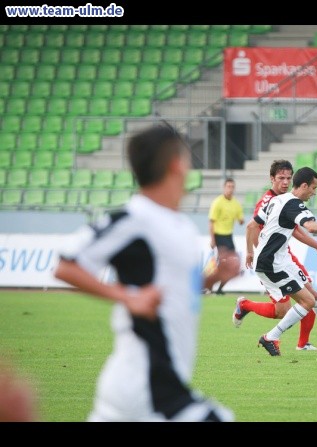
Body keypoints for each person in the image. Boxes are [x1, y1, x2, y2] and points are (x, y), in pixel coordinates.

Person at [54, 124, 240, 422]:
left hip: (156, 382)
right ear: (177, 164)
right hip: (145, 384)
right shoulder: (134, 218)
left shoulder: (179, 225)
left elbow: (175, 288)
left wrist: (213, 278)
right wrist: (128, 296)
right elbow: (66, 264)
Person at [233, 160, 317, 351]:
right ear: (305, 185)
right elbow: (311, 227)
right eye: (314, 188)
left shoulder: (276, 200)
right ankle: (271, 336)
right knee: (305, 302)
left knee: (313, 296)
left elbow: (254, 225)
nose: (314, 192)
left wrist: (252, 251)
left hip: (281, 260)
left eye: (288, 178)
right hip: (271, 264)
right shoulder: (293, 204)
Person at [208, 178, 245, 295]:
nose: (230, 189)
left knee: (233, 263)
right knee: (222, 263)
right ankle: (208, 284)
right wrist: (212, 239)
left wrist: (241, 220)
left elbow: (240, 219)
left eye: (232, 187)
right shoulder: (217, 202)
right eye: (228, 186)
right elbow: (211, 222)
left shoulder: (236, 204)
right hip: (219, 236)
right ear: (224, 188)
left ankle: (219, 289)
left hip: (229, 237)